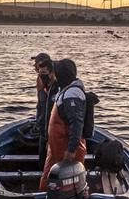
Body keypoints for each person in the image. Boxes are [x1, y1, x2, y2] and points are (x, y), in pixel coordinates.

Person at [39, 57, 88, 190]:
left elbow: (76, 124)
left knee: (65, 185)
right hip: (56, 148)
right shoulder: (65, 90)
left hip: (65, 150)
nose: (51, 75)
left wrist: (71, 150)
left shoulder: (72, 94)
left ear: (62, 75)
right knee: (47, 179)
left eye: (54, 72)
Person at [31, 52, 55, 160]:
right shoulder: (40, 79)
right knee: (42, 158)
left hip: (54, 128)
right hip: (43, 127)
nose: (37, 70)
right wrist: (38, 120)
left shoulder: (56, 82)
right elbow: (40, 105)